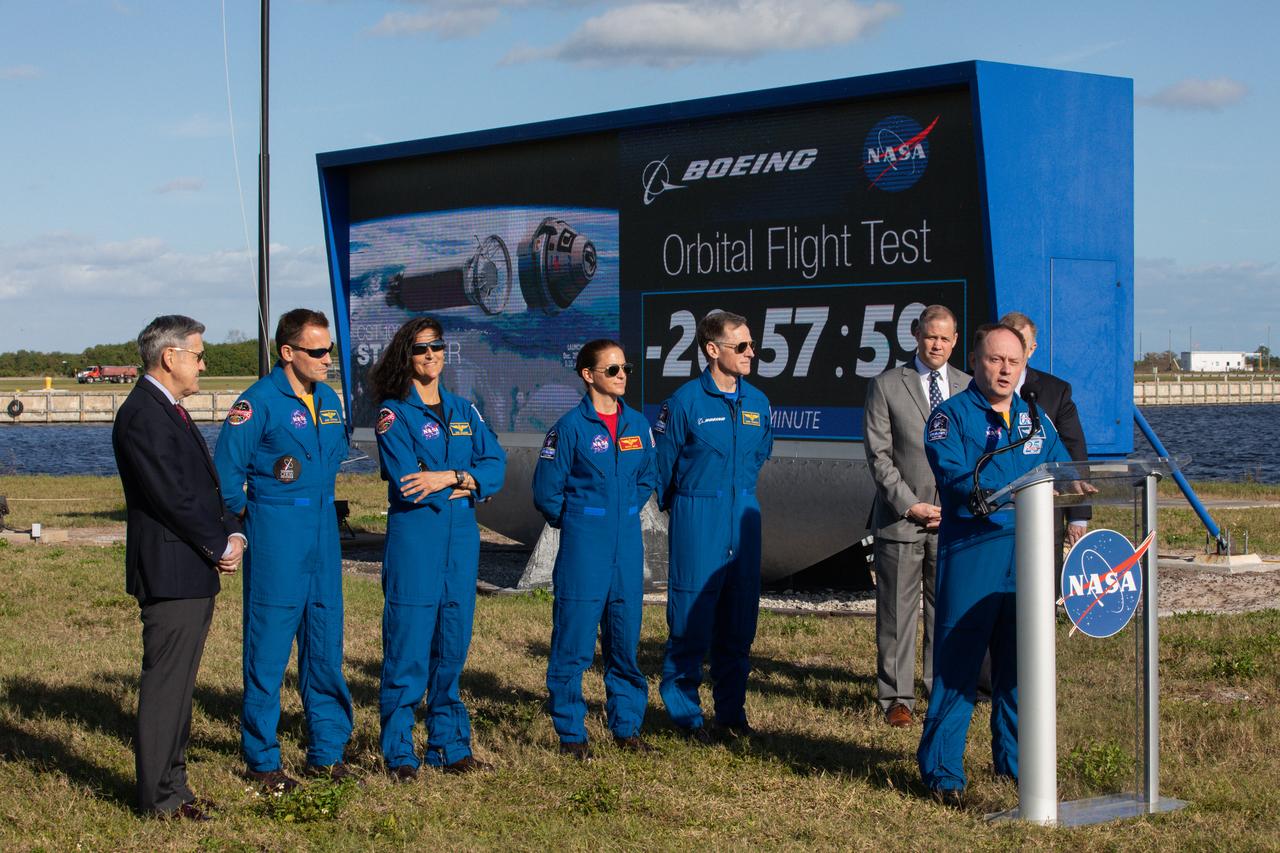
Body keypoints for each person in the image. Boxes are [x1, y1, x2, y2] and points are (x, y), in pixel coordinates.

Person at [916, 323, 1070, 806]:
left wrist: (1077, 487)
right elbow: (955, 475)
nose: (1005, 369)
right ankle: (943, 774)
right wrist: (978, 494)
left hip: (1027, 553)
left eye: (1013, 361)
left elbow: (1063, 467)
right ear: (977, 362)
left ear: (1025, 364)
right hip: (974, 555)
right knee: (960, 668)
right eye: (994, 360)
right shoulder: (951, 416)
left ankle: (1017, 766)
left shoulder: (1034, 418)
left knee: (1020, 666)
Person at [213, 308, 355, 791]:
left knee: (324, 644)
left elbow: (332, 456)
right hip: (276, 534)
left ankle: (328, 750)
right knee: (269, 648)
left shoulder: (330, 399)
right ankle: (262, 760)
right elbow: (227, 472)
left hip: (322, 533)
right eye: (316, 351)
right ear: (287, 353)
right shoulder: (258, 402)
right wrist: (254, 514)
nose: (327, 359)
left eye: (329, 349)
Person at [112, 315, 244, 820]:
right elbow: (173, 495)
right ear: (171, 358)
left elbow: (202, 488)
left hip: (187, 567)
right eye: (199, 354)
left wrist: (231, 529)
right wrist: (220, 544)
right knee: (167, 686)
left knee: (181, 685)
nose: (203, 364)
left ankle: (175, 785)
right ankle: (159, 800)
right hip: (171, 570)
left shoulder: (168, 410)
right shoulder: (145, 414)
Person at [368, 317, 506, 780]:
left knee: (452, 644)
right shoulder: (394, 414)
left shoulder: (464, 410)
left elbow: (495, 466)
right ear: (406, 356)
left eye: (437, 347)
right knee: (407, 648)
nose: (431, 356)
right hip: (417, 543)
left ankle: (448, 744)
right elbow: (410, 484)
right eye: (421, 349)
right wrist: (464, 478)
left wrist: (453, 477)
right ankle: (400, 751)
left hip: (461, 542)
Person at [532, 339, 657, 760]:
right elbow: (547, 492)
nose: (622, 376)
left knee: (624, 639)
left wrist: (621, 510)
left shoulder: (638, 425)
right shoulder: (568, 428)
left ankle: (627, 727)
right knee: (574, 642)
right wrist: (585, 518)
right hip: (585, 546)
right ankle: (571, 733)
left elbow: (647, 478)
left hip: (626, 544)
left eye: (625, 368)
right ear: (588, 375)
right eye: (613, 369)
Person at [654, 311, 773, 742]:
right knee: (691, 619)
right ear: (712, 349)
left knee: (739, 622)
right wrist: (688, 509)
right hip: (697, 515)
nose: (750, 353)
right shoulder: (685, 402)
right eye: (740, 346)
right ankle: (686, 714)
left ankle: (731, 713)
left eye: (751, 345)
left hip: (742, 518)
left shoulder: (758, 403)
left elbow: (759, 457)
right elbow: (662, 468)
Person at [863, 305, 968, 729]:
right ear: (916, 336)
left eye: (944, 338)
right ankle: (896, 699)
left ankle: (939, 688)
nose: (937, 344)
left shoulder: (967, 386)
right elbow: (879, 456)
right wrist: (910, 504)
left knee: (946, 611)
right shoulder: (887, 386)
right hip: (902, 519)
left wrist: (958, 504)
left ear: (955, 340)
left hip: (954, 522)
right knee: (896, 615)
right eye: (930, 337)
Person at [999, 311, 1091, 561]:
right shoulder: (971, 386)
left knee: (1045, 589)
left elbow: (1074, 450)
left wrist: (1078, 514)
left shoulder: (1055, 392)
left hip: (1045, 509)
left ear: (1032, 349)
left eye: (1022, 346)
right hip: (992, 514)